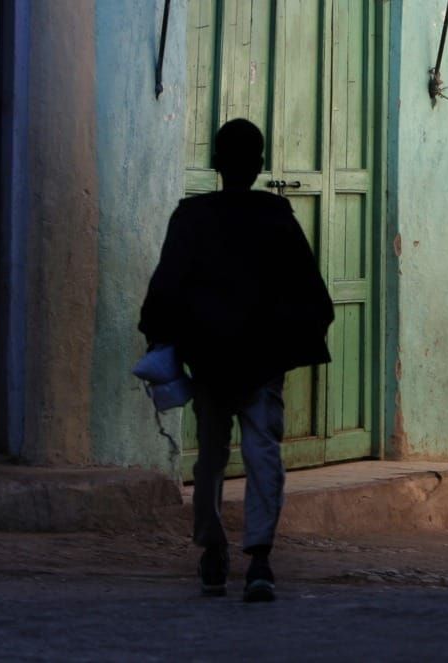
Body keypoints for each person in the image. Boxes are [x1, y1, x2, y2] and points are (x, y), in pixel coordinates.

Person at [139, 118, 334, 602]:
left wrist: (161, 341)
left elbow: (166, 287)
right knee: (262, 453)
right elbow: (309, 293)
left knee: (209, 458)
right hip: (261, 361)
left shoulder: (190, 217)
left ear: (216, 166)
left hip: (208, 359)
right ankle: (260, 560)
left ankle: (212, 550)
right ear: (260, 166)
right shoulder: (276, 216)